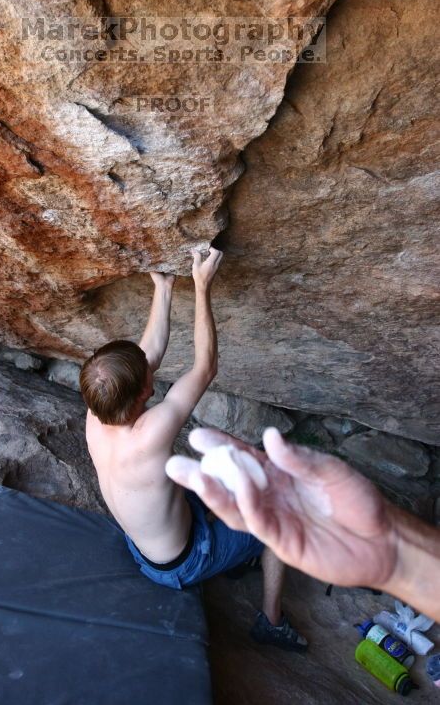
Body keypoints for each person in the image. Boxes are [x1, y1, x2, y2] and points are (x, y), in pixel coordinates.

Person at [80, 249, 307, 651]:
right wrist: (202, 286)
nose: (152, 370)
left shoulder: (98, 408)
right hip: (181, 562)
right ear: (146, 391)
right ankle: (270, 622)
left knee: (231, 467)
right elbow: (205, 366)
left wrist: (163, 287)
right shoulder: (149, 434)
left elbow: (145, 356)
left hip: (154, 539)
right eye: (149, 377)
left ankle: (237, 556)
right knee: (282, 513)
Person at [166, 426, 440, 622]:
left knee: (257, 524)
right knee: (256, 525)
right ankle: (269, 615)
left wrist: (390, 550)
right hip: (187, 558)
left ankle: (257, 592)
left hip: (173, 560)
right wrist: (389, 543)